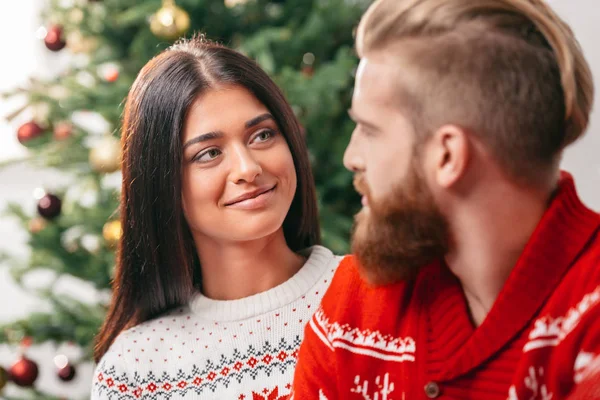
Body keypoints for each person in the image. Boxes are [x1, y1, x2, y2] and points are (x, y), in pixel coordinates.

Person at [292, 0, 600, 399]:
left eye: (369, 129)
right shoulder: (352, 312)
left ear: (448, 156)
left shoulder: (588, 319)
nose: (352, 157)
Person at [91, 37, 342, 400]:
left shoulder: (379, 298)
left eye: (262, 135)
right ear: (162, 185)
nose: (248, 168)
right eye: (208, 153)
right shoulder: (134, 371)